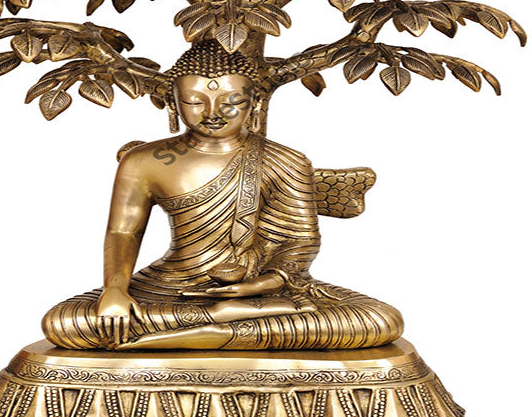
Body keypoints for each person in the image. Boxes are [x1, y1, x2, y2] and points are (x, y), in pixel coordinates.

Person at [42, 40, 403, 350]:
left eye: (231, 100)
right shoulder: (144, 160)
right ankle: (223, 323)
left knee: (379, 320)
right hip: (170, 286)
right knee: (64, 323)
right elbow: (124, 231)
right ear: (174, 103)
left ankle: (209, 329)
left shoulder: (285, 160)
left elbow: (299, 242)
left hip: (263, 291)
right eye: (195, 101)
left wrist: (260, 285)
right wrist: (116, 289)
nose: (213, 112)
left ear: (253, 103)